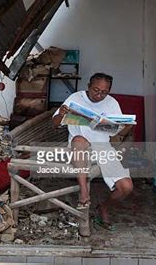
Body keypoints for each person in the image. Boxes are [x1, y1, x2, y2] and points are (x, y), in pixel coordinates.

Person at [52, 72, 133, 231]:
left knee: (126, 187)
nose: (99, 95)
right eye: (96, 90)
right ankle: (84, 193)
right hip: (78, 146)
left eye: (104, 92)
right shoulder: (76, 98)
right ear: (88, 86)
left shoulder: (111, 103)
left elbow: (118, 132)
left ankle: (103, 207)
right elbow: (55, 123)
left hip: (102, 147)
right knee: (79, 140)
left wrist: (127, 126)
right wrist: (61, 114)